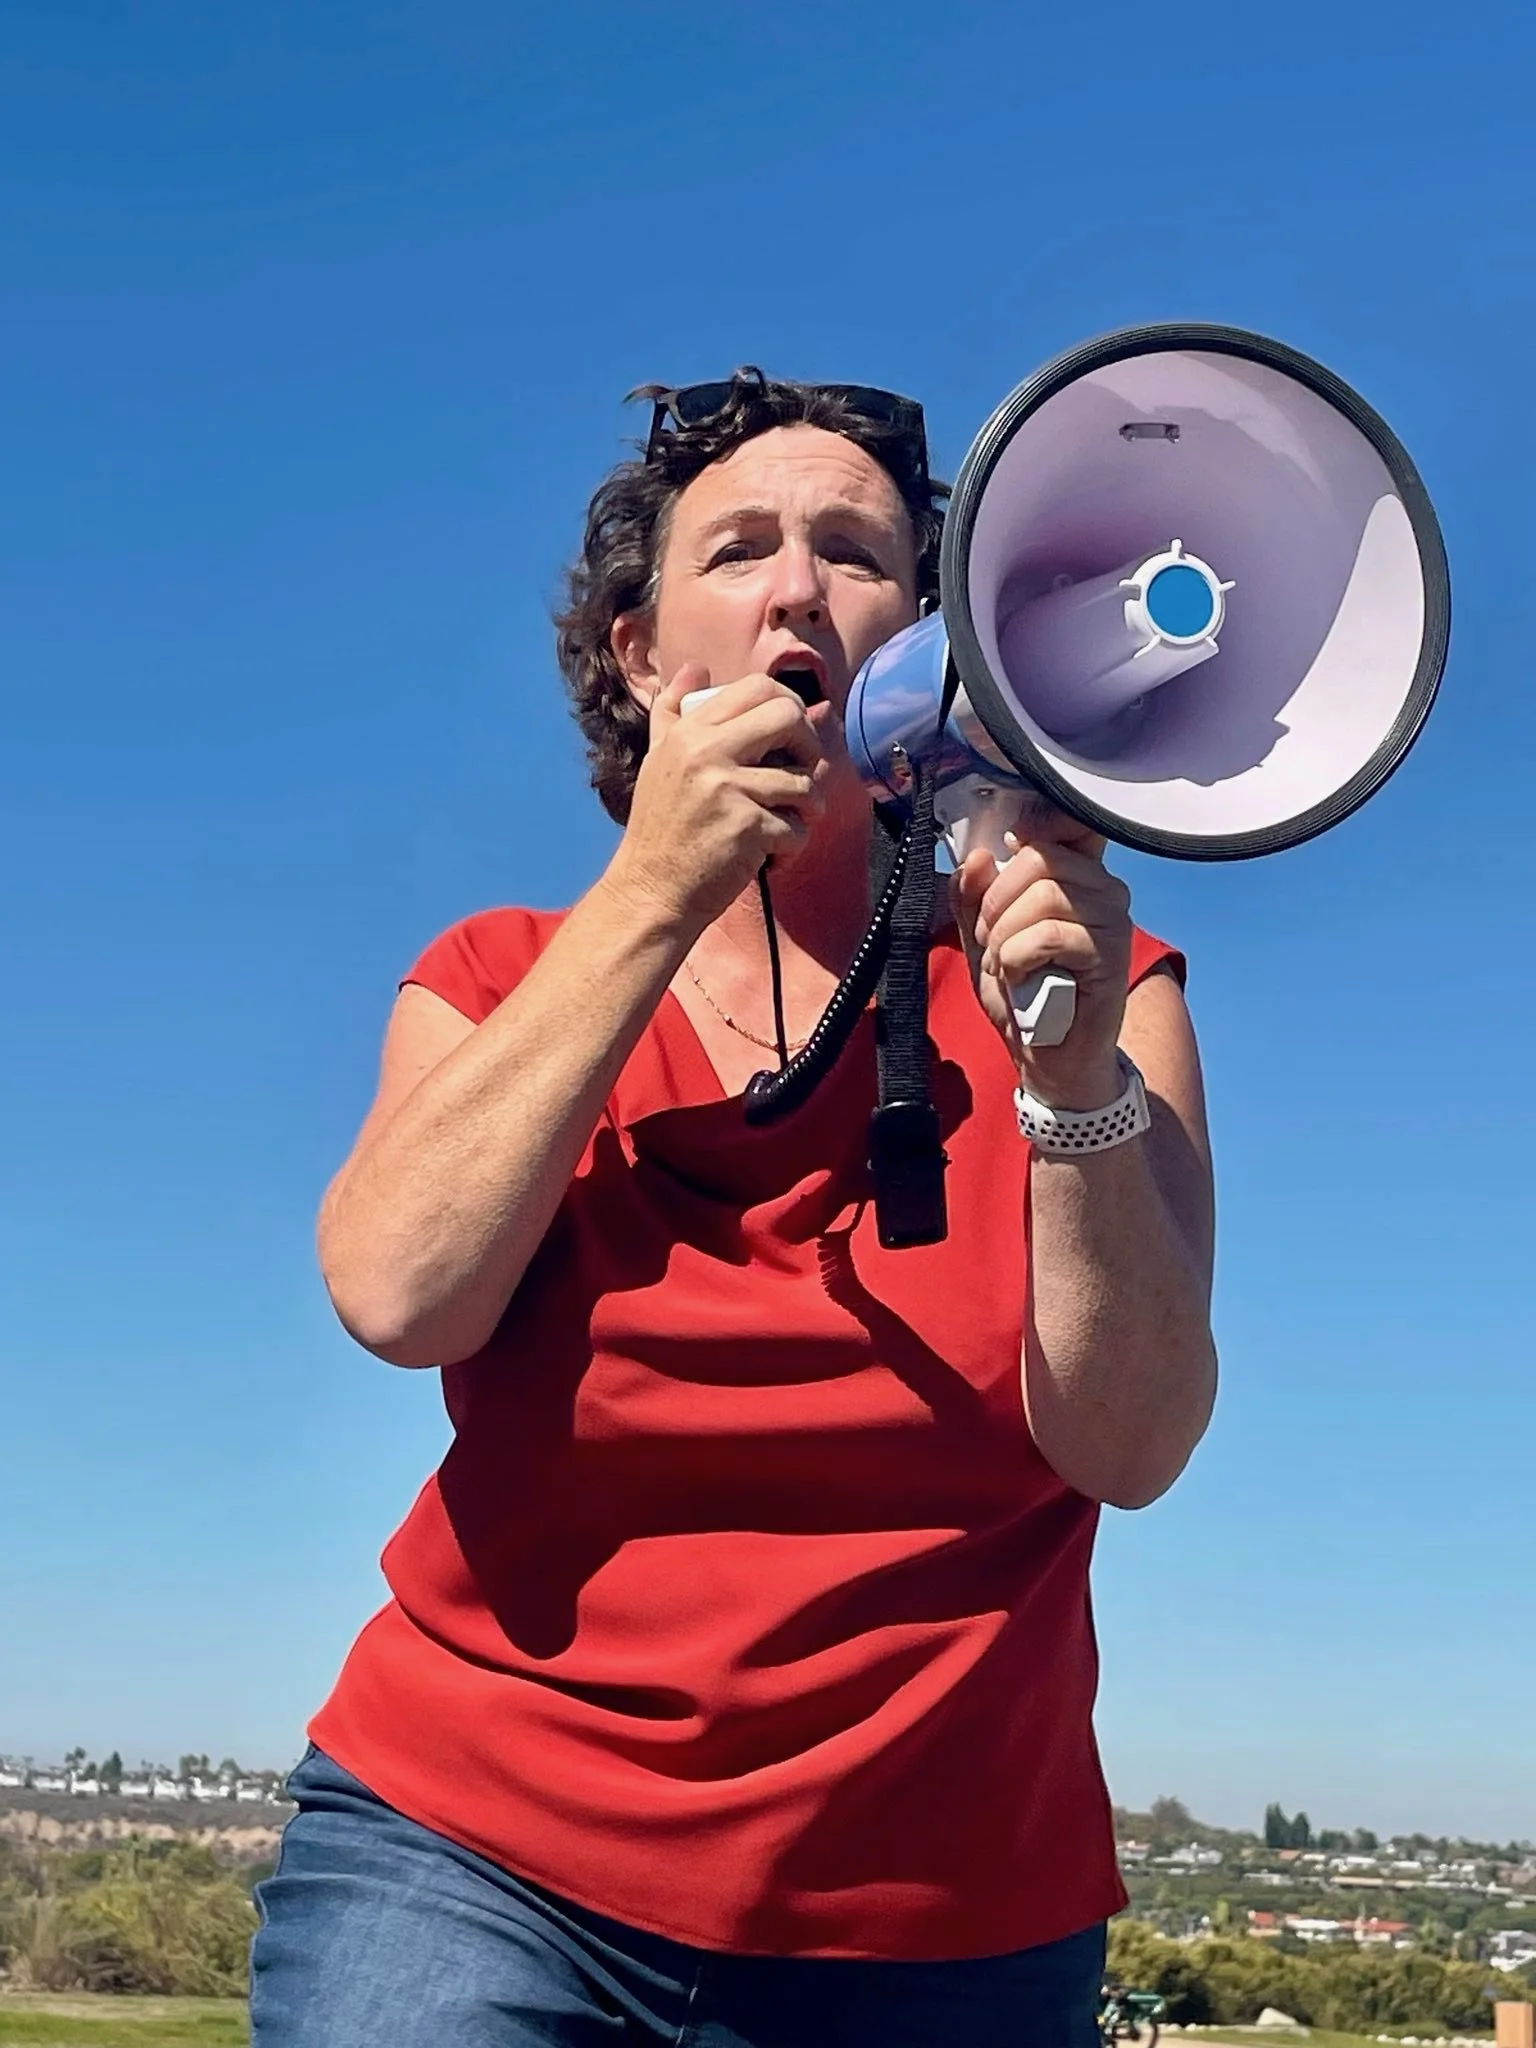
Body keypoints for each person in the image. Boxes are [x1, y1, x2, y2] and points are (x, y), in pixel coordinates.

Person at [249, 369, 1217, 2047]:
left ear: (933, 639)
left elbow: (1127, 1442)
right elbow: (402, 1293)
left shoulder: (1106, 981)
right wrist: (651, 888)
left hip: (944, 1929)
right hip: (480, 1864)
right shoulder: (497, 982)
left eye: (854, 554)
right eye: (740, 549)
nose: (795, 590)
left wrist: (1062, 1080)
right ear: (638, 654)